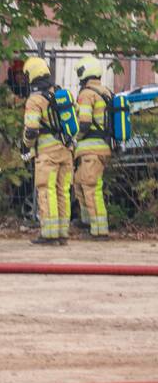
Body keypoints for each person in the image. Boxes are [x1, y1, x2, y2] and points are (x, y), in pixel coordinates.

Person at [22, 57, 73, 245]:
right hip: (66, 150)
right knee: (63, 192)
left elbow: (32, 129)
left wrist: (26, 144)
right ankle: (62, 234)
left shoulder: (35, 100)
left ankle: (49, 234)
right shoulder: (59, 94)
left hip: (48, 153)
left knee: (47, 190)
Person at [72, 55, 112, 239]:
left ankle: (99, 230)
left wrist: (73, 139)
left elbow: (85, 123)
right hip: (99, 149)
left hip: (92, 151)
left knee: (91, 187)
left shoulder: (87, 94)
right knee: (79, 183)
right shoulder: (105, 91)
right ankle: (87, 222)